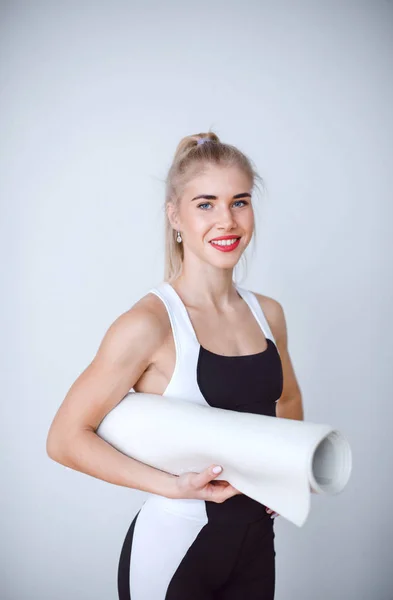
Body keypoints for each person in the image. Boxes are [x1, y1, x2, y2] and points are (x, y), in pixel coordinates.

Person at [46, 131, 304, 599]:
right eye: (206, 204)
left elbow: (285, 398)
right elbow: (65, 438)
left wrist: (283, 473)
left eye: (239, 202)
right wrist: (173, 485)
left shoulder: (269, 314)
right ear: (175, 215)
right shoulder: (148, 324)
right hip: (174, 553)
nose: (227, 220)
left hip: (255, 548)